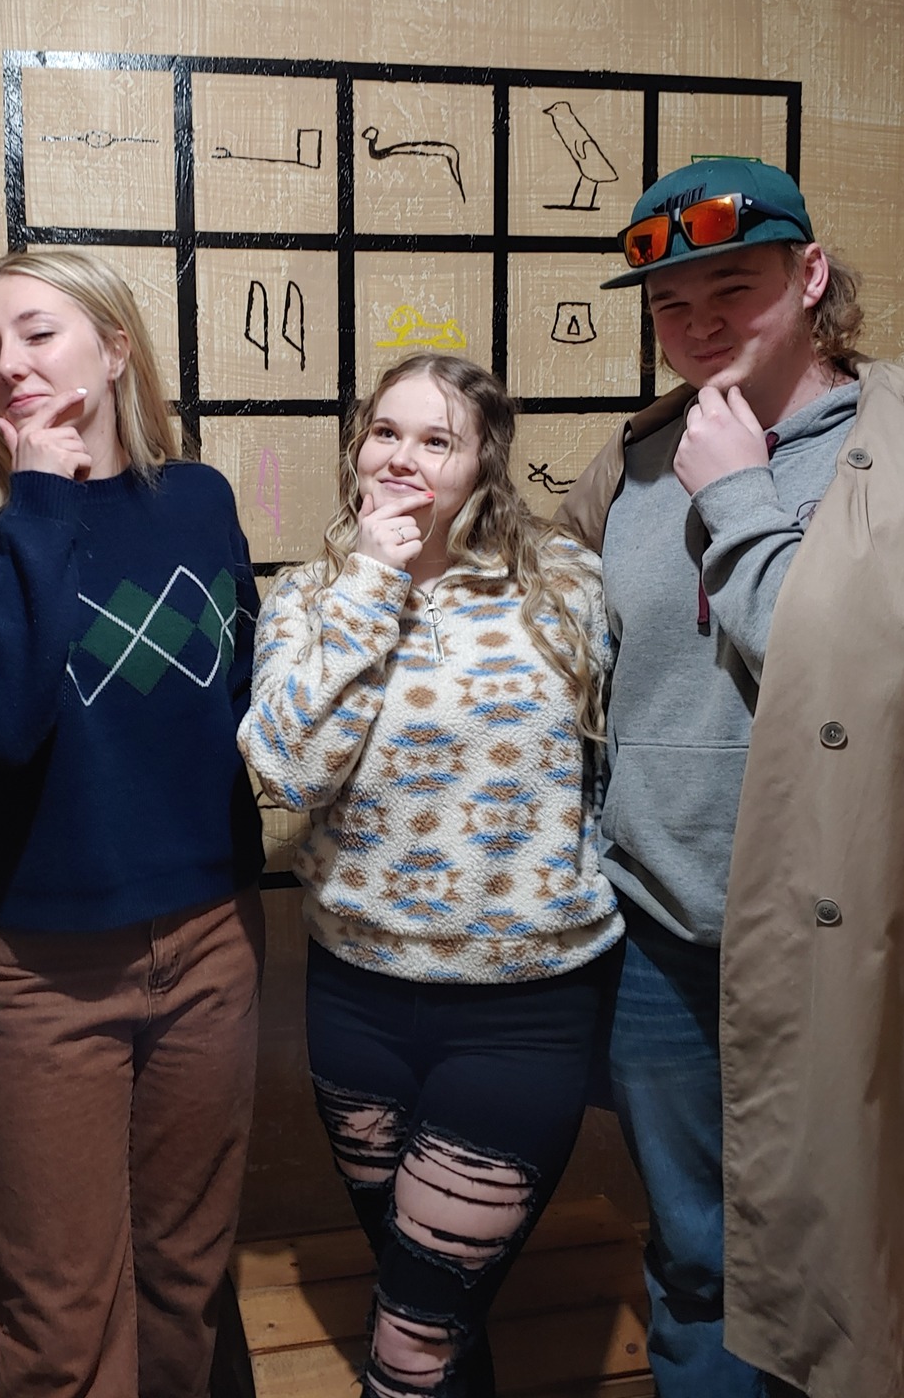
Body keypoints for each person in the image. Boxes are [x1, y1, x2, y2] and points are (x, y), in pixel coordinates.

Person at [557, 158, 904, 1398]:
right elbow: (577, 670)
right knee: (693, 1253)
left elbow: (871, 674)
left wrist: (739, 495)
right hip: (656, 936)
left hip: (841, 934)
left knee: (870, 1266)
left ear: (808, 277)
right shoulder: (630, 462)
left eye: (729, 291)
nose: (696, 326)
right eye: (669, 305)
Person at [0, 248, 266, 1397]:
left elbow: (244, 705)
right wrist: (42, 502)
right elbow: (2, 721)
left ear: (113, 350)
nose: (4, 364)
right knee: (61, 1318)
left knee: (184, 1283)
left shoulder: (198, 500)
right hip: (43, 970)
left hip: (211, 941)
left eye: (34, 333)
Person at [242, 352, 618, 1398]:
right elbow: (287, 771)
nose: (402, 457)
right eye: (385, 433)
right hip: (357, 1003)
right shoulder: (308, 596)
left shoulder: (565, 584)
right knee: (440, 1309)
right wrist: (369, 583)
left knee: (412, 1335)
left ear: (484, 463)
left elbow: (619, 764)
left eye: (437, 439)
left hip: (523, 1008)